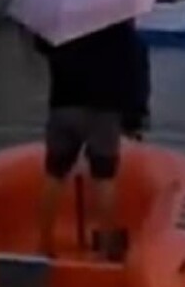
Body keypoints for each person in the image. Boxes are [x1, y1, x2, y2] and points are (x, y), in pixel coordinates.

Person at [32, 19, 150, 259]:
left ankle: (44, 245)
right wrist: (135, 117)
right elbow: (137, 72)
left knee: (54, 175)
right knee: (104, 177)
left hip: (63, 106)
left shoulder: (63, 23)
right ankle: (106, 249)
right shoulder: (120, 27)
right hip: (103, 111)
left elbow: (42, 46)